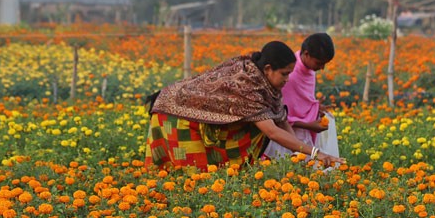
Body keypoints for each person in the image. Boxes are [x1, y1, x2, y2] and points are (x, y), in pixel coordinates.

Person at [144, 41, 344, 171]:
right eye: (284, 73)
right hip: (173, 112)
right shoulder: (248, 85)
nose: (287, 79)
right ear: (268, 69)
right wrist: (316, 153)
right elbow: (272, 132)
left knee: (208, 175)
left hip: (190, 112)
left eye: (290, 73)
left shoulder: (267, 84)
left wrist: (303, 155)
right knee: (192, 174)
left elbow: (282, 122)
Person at [263, 33, 338, 159]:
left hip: (301, 134)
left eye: (325, 64)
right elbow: (278, 115)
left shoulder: (308, 70)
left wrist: (315, 108)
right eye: (319, 63)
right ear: (307, 54)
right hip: (283, 135)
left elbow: (300, 102)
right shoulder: (287, 74)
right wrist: (309, 125)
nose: (322, 68)